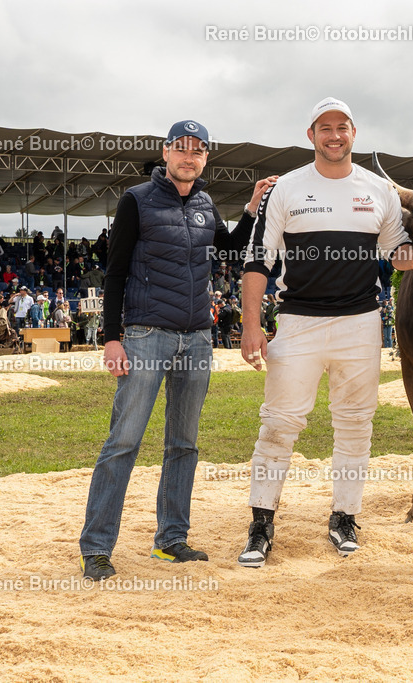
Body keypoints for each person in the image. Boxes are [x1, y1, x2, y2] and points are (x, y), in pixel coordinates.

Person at [236, 98, 413, 567]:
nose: (334, 135)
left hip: (360, 323)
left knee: (355, 424)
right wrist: (250, 325)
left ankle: (344, 516)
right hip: (298, 322)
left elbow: (395, 248)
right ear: (312, 135)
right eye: (326, 128)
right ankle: (261, 523)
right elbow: (256, 261)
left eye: (342, 127)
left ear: (353, 134)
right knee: (279, 425)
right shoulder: (284, 188)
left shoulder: (378, 190)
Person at [78, 119, 276, 580]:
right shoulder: (136, 200)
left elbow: (227, 251)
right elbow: (115, 273)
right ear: (165, 153)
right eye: (181, 149)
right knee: (123, 442)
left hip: (197, 339)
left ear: (205, 158)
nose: (190, 157)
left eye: (199, 151)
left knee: (183, 444)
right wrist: (112, 337)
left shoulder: (206, 203)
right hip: (147, 336)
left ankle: (170, 540)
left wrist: (249, 210)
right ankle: (96, 548)